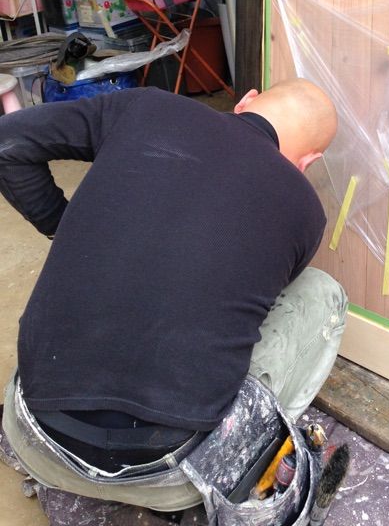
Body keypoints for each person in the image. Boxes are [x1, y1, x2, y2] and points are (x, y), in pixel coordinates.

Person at [0, 79, 347, 513]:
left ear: (246, 102)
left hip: (35, 437)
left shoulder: (145, 107)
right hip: (171, 477)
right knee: (323, 293)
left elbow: (8, 143)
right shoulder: (306, 211)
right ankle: (254, 465)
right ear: (308, 162)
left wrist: (62, 225)